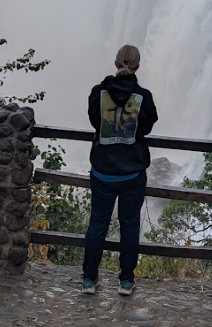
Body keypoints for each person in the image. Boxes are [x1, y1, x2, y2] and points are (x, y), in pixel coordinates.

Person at [81, 44, 158, 296]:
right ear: (137, 65)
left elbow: (95, 121)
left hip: (102, 170)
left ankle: (89, 280)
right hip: (132, 173)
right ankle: (126, 281)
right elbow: (146, 127)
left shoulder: (98, 92)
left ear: (116, 63)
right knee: (130, 226)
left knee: (97, 224)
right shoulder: (142, 97)